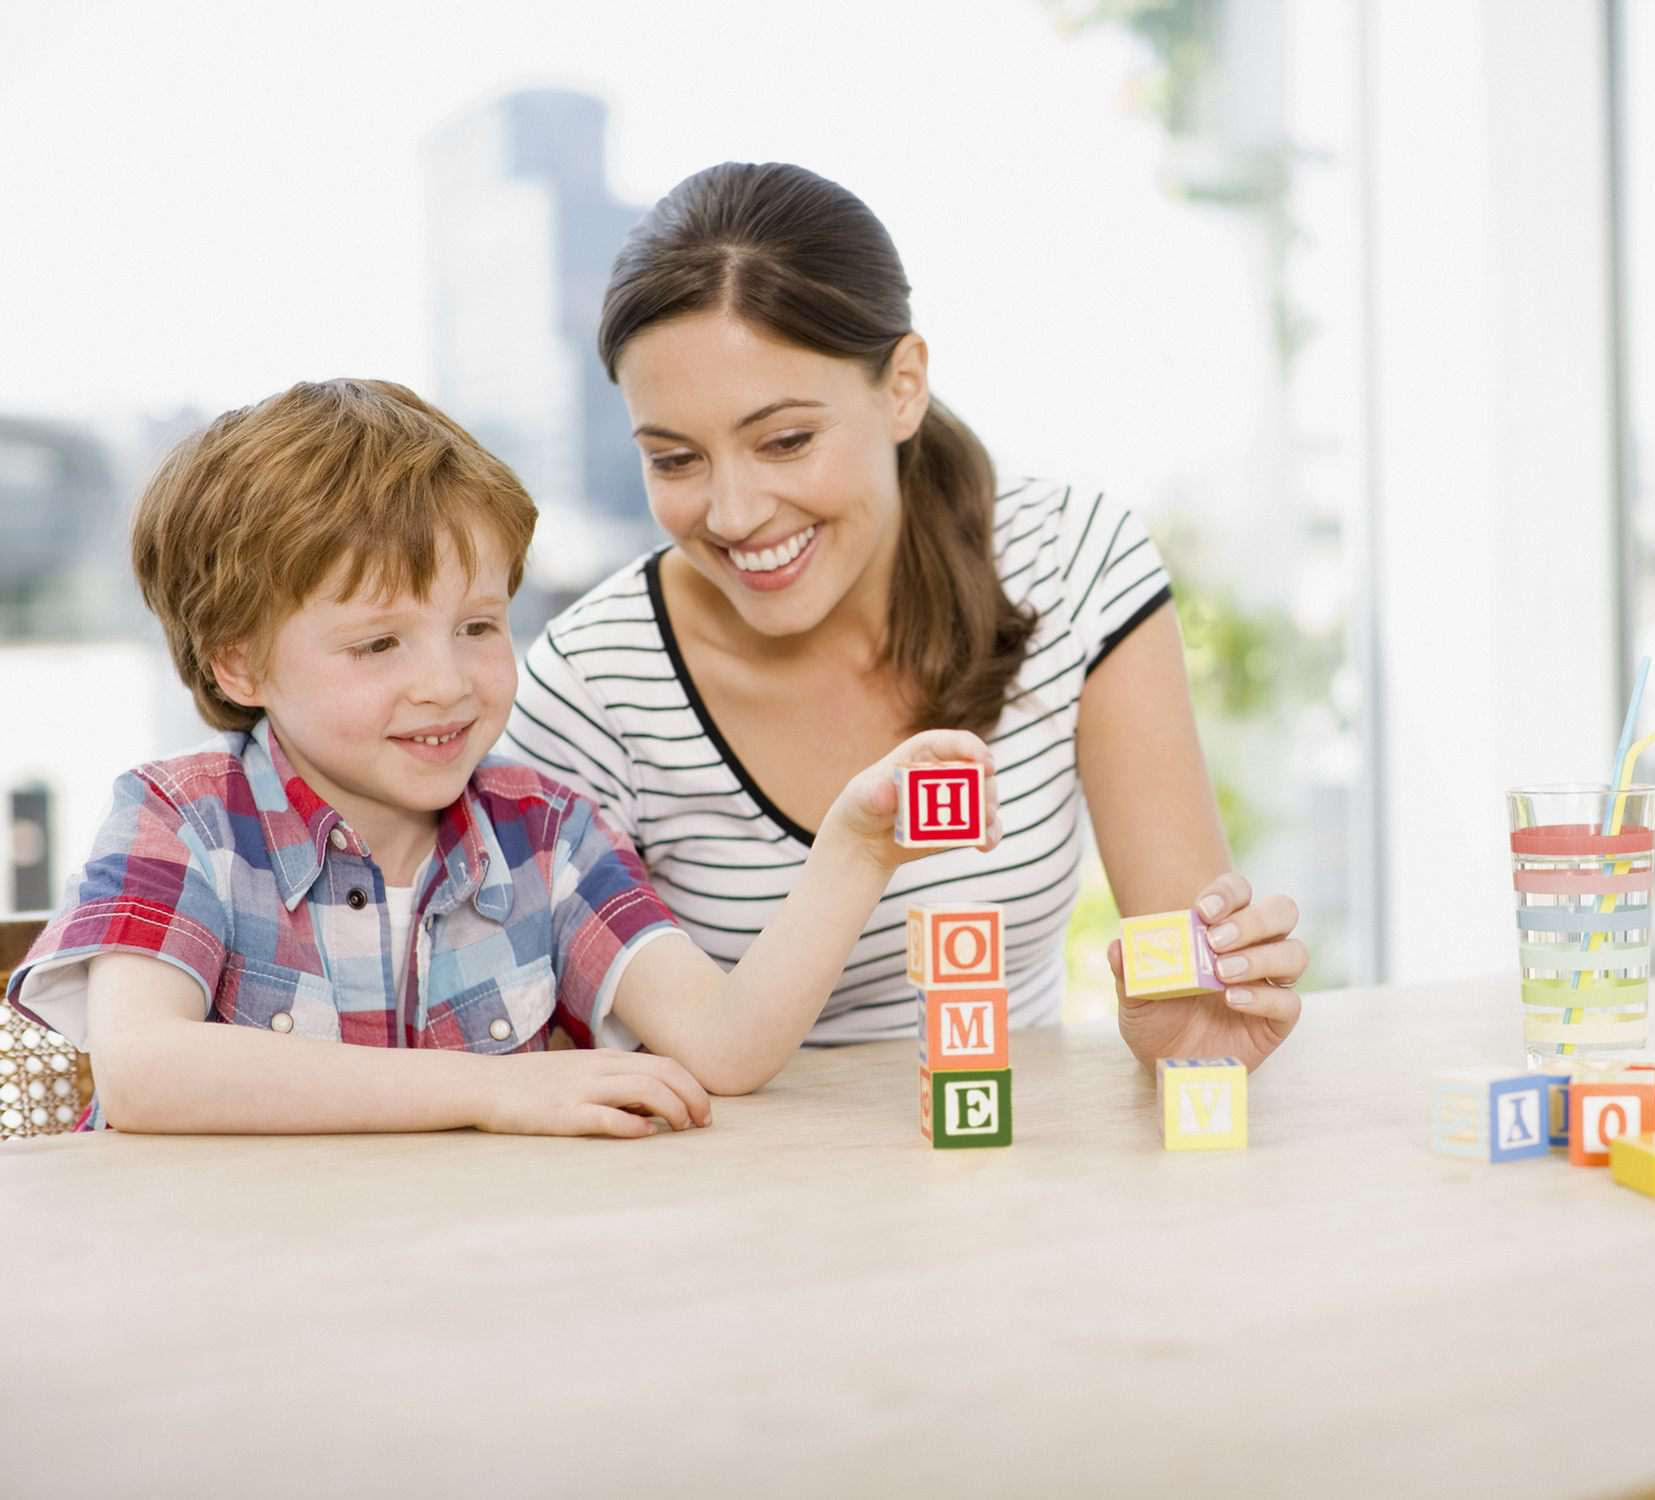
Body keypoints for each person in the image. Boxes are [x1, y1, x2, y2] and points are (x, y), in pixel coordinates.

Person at [4, 378, 999, 1135]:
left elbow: (728, 1046)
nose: (448, 681)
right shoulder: (181, 818)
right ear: (240, 661)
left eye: (479, 625)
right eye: (379, 644)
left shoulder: (548, 834)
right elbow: (144, 1073)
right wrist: (493, 1088)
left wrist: (856, 850)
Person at [502, 161, 1308, 1068]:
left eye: (786, 440)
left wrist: (1190, 1027)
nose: (732, 515)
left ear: (903, 386)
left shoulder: (1072, 561)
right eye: (676, 460)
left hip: (1008, 1168)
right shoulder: (591, 682)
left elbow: (1187, 967)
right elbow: (562, 1051)